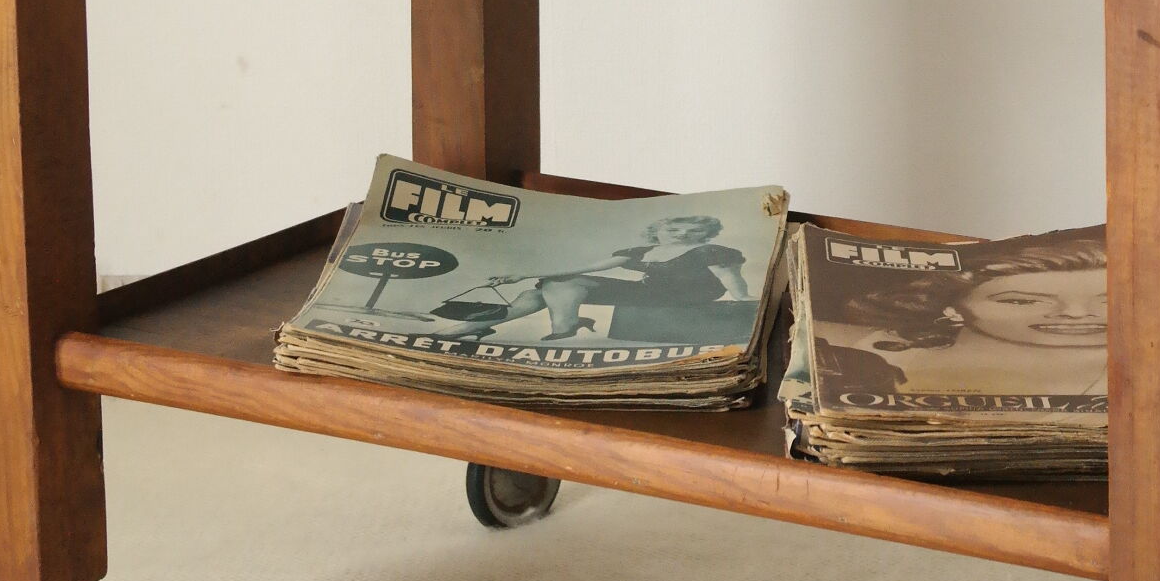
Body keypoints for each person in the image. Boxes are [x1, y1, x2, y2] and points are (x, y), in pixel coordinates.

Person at [816, 233, 1107, 399]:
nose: (1076, 314)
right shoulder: (866, 350)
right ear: (951, 306)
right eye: (1022, 300)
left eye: (1112, 301)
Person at [425, 211, 752, 345]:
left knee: (555, 287)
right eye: (673, 228)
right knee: (553, 285)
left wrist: (744, 303)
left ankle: (563, 330)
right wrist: (520, 274)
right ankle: (477, 325)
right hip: (645, 293)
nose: (682, 233)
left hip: (687, 299)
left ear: (704, 233)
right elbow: (592, 267)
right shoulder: (639, 250)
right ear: (659, 231)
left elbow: (734, 283)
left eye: (692, 229)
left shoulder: (713, 252)